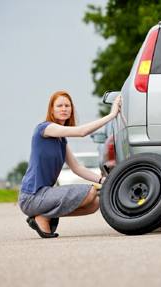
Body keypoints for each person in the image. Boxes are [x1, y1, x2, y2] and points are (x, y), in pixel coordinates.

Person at [18, 90, 122, 238]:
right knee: (90, 192)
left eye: (67, 105)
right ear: (52, 110)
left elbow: (77, 168)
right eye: (59, 106)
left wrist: (103, 180)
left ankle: (43, 216)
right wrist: (111, 116)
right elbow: (82, 132)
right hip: (31, 197)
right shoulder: (44, 129)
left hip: (45, 195)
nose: (64, 109)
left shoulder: (61, 140)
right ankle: (43, 217)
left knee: (95, 203)